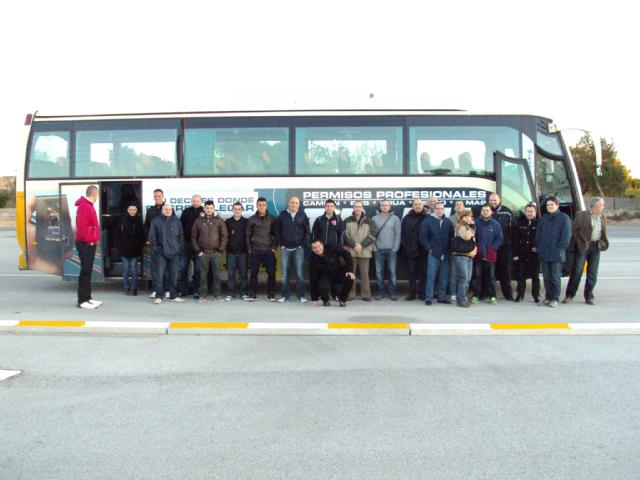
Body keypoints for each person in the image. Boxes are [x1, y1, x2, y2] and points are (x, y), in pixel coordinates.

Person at [563, 197, 609, 305]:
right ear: (594, 206)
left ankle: (589, 296)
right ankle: (569, 295)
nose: (603, 207)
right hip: (583, 246)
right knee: (577, 271)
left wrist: (602, 242)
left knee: (592, 273)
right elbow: (573, 230)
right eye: (602, 205)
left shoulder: (603, 217)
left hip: (596, 247)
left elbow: (603, 232)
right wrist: (579, 242)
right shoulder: (581, 215)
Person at [535, 196, 572, 307]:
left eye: (552, 205)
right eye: (548, 205)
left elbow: (566, 237)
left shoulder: (564, 218)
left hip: (556, 254)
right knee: (546, 278)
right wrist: (539, 246)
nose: (550, 207)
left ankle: (554, 299)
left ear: (557, 205)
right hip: (544, 253)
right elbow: (539, 234)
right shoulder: (544, 218)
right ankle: (547, 297)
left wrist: (560, 249)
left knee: (555, 277)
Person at [275, 196, 310, 303]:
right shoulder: (282, 215)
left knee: (300, 273)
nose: (294, 204)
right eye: (292, 202)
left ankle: (301, 296)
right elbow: (277, 231)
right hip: (285, 249)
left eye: (296, 203)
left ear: (299, 205)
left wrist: (302, 245)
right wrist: (281, 244)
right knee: (285, 273)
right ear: (288, 203)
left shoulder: (302, 215)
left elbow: (307, 232)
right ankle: (285, 296)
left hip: (299, 249)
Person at [191, 200, 228, 301]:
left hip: (216, 253)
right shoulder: (198, 221)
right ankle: (202, 295)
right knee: (203, 275)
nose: (209, 210)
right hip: (203, 253)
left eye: (211, 208)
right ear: (204, 209)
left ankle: (217, 294)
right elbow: (193, 237)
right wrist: (198, 251)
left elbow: (224, 236)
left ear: (213, 208)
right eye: (207, 208)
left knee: (217, 274)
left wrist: (220, 251)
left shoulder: (219, 220)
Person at [149, 204, 185, 304]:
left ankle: (173, 295)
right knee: (159, 275)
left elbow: (181, 236)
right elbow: (152, 237)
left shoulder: (177, 221)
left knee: (174, 275)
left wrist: (179, 249)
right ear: (162, 210)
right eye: (166, 209)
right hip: (161, 253)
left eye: (170, 209)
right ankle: (159, 296)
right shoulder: (156, 221)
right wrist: (157, 250)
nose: (168, 211)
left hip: (174, 253)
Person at [419, 202, 454, 305]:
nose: (439, 210)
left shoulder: (447, 221)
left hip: (445, 253)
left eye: (441, 208)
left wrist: (450, 249)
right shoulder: (427, 221)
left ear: (444, 210)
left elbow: (451, 237)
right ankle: (428, 298)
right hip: (433, 254)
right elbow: (422, 237)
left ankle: (441, 297)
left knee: (443, 276)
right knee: (431, 276)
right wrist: (429, 249)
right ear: (433, 210)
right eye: (437, 208)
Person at [343, 200, 376, 302]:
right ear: (353, 208)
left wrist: (361, 245)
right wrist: (354, 245)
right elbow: (344, 235)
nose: (357, 208)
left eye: (359, 207)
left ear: (362, 208)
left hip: (364, 251)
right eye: (356, 207)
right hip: (351, 252)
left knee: (364, 274)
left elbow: (372, 235)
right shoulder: (347, 220)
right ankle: (350, 294)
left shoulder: (369, 221)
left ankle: (366, 294)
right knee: (350, 274)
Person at [144, 188, 174, 299]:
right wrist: (148, 240)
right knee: (155, 268)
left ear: (163, 196)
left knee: (166, 269)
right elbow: (146, 226)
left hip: (167, 246)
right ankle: (157, 290)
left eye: (159, 196)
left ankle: (166, 290)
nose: (157, 198)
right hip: (155, 245)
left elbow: (173, 226)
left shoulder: (168, 208)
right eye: (155, 196)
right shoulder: (150, 210)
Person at [471, 204, 504, 305]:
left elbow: (500, 238)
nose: (485, 212)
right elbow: (472, 237)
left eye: (487, 210)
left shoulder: (496, 224)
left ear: (491, 212)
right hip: (478, 254)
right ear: (481, 212)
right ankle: (476, 295)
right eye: (483, 210)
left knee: (491, 276)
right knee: (477, 276)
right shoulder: (475, 223)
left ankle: (492, 296)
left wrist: (493, 248)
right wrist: (476, 247)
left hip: (490, 255)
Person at [75, 185, 101, 309]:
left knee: (88, 271)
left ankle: (87, 297)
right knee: (85, 271)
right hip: (85, 244)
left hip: (88, 243)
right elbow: (82, 227)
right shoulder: (84, 206)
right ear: (94, 195)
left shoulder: (88, 205)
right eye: (97, 195)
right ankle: (82, 299)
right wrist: (89, 240)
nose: (97, 198)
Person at [246, 197, 277, 301]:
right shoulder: (252, 219)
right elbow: (247, 235)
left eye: (263, 205)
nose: (262, 207)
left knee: (271, 273)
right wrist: (250, 249)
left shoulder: (272, 219)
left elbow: (276, 235)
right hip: (255, 250)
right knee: (253, 273)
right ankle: (252, 293)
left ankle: (271, 293)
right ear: (257, 205)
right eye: (260, 205)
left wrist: (273, 248)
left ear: (266, 206)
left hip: (268, 250)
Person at [308, 239, 355, 307]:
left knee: (350, 278)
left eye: (318, 246)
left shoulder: (331, 247)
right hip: (325, 276)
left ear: (322, 245)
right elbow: (312, 279)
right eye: (315, 248)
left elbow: (347, 254)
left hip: (339, 272)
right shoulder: (312, 259)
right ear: (312, 249)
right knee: (322, 286)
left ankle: (342, 300)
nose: (317, 249)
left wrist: (349, 270)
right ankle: (326, 300)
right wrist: (313, 298)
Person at [372, 200, 401, 300]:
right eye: (383, 205)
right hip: (378, 250)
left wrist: (395, 248)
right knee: (379, 273)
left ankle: (392, 292)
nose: (385, 207)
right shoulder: (374, 218)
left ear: (390, 207)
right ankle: (380, 292)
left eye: (387, 205)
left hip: (391, 251)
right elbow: (372, 235)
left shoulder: (395, 219)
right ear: (380, 207)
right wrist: (374, 248)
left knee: (392, 272)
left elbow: (398, 234)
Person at [512, 203, 540, 303]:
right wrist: (515, 254)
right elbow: (515, 240)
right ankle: (520, 294)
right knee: (521, 276)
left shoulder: (539, 224)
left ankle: (536, 295)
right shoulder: (519, 224)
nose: (529, 213)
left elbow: (542, 239)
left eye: (531, 211)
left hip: (535, 255)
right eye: (528, 211)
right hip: (522, 254)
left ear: (535, 212)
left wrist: (538, 247)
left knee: (535, 277)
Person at [488, 193, 515, 300]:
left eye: (495, 200)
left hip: (504, 247)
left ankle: (508, 294)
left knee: (506, 271)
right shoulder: (485, 211)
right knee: (490, 272)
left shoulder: (507, 211)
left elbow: (512, 229)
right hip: (490, 247)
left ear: (499, 200)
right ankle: (490, 294)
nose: (493, 202)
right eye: (491, 200)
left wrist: (509, 242)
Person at [401, 198, 428, 301]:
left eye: (419, 204)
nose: (417, 206)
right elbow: (403, 234)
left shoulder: (427, 217)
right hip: (410, 250)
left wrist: (427, 247)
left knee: (423, 273)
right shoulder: (406, 218)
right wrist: (405, 246)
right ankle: (412, 294)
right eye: (415, 204)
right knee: (411, 273)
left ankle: (422, 294)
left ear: (423, 206)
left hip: (423, 251)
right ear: (412, 206)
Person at [116, 203, 144, 296]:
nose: (132, 211)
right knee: (125, 269)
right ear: (127, 211)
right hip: (124, 249)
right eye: (130, 210)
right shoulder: (122, 220)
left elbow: (141, 235)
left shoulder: (139, 220)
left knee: (133, 269)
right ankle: (126, 287)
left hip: (134, 250)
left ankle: (134, 288)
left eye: (134, 210)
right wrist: (119, 246)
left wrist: (139, 247)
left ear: (136, 211)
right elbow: (117, 234)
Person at [450, 210, 477, 307]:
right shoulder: (460, 226)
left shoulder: (469, 227)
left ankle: (464, 297)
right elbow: (466, 237)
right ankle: (461, 300)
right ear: (461, 218)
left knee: (468, 279)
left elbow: (473, 241)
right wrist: (472, 229)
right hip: (460, 257)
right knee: (463, 278)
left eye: (469, 217)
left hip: (469, 256)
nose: (468, 218)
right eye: (465, 217)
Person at [179, 194, 204, 298]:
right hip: (187, 244)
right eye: (194, 201)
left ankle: (196, 290)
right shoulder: (186, 211)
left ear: (201, 202)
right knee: (183, 268)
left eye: (198, 201)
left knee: (198, 270)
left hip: (199, 246)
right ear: (191, 201)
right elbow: (180, 227)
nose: (196, 202)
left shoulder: (204, 212)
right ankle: (183, 290)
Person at [225, 202, 249, 300]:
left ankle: (243, 293)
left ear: (242, 210)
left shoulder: (246, 222)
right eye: (235, 209)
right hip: (231, 253)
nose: (237, 211)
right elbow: (225, 236)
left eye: (239, 209)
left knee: (243, 274)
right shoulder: (228, 222)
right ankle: (231, 293)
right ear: (232, 210)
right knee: (231, 275)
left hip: (243, 253)